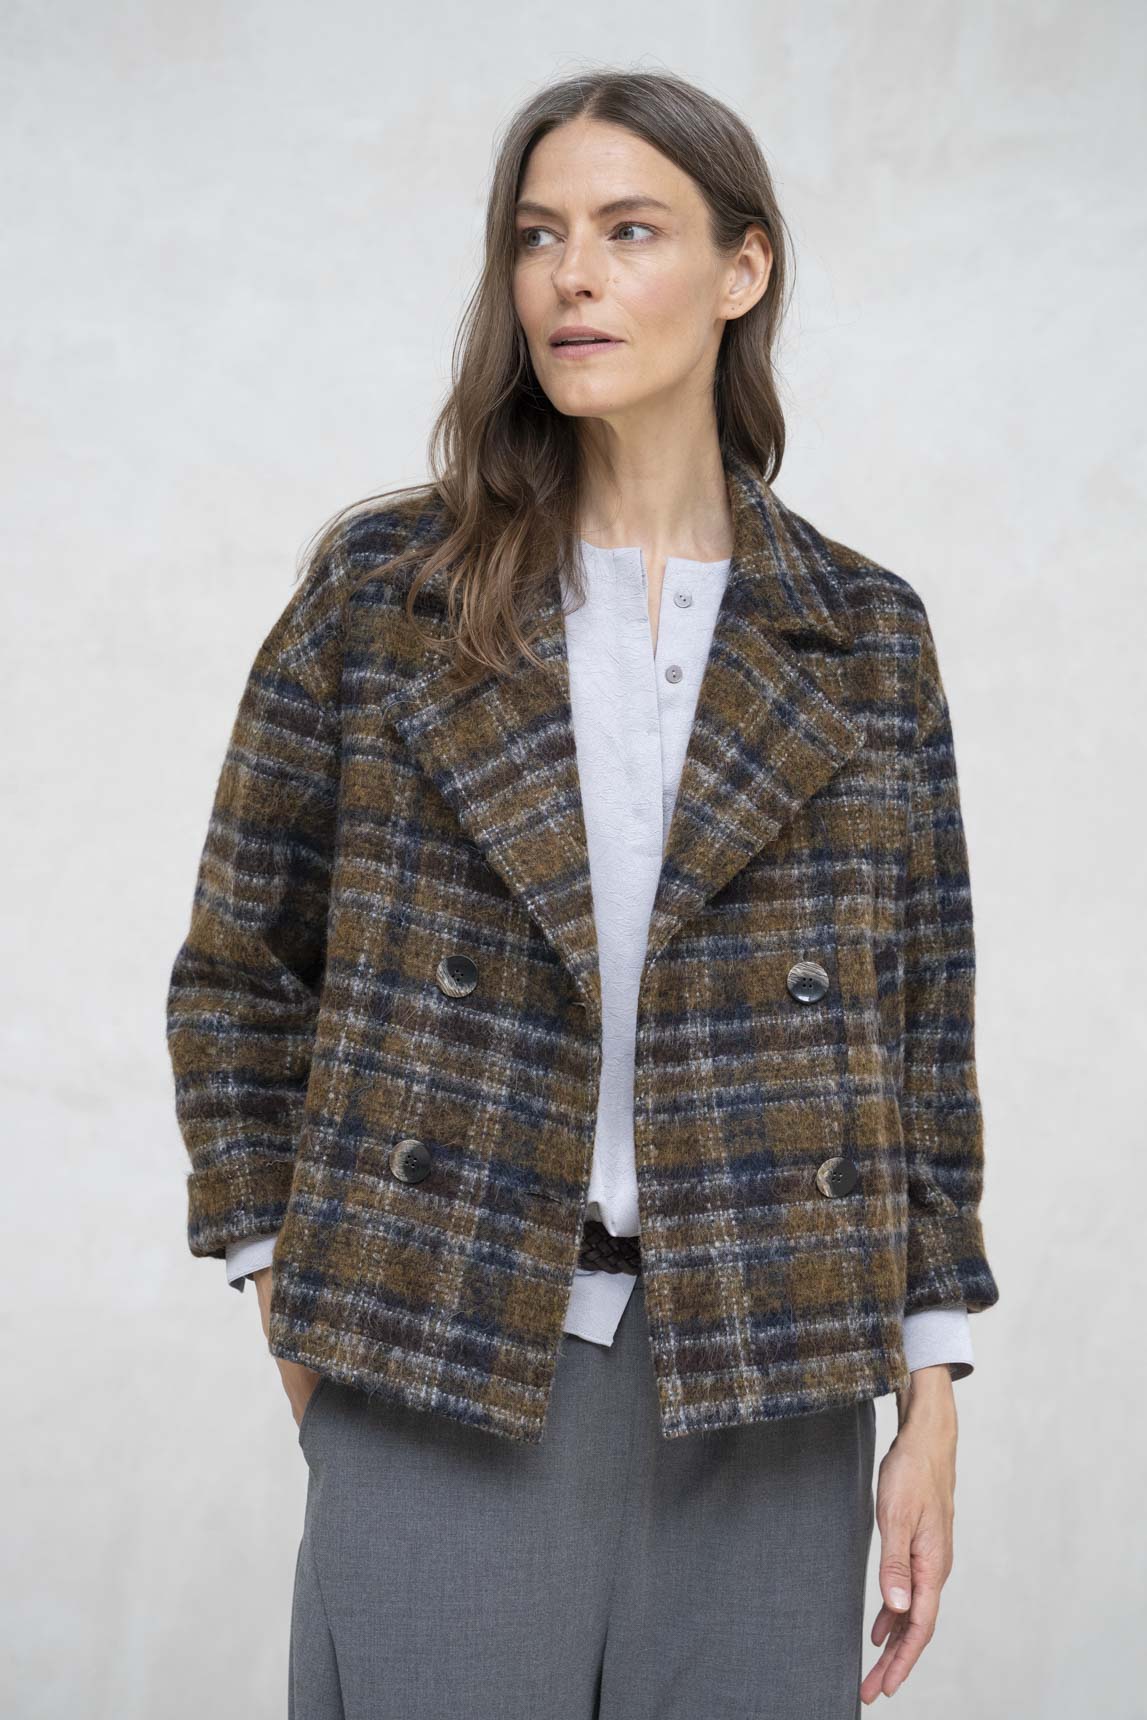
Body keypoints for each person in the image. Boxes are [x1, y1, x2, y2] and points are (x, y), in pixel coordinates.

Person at [166, 68, 1000, 1719]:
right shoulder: (386, 598)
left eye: (630, 232)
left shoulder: (864, 635)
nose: (572, 277)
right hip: (442, 1340)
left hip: (774, 1363)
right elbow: (240, 970)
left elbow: (917, 1027)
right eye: (539, 236)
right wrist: (288, 1293)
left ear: (743, 268)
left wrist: (930, 1390)